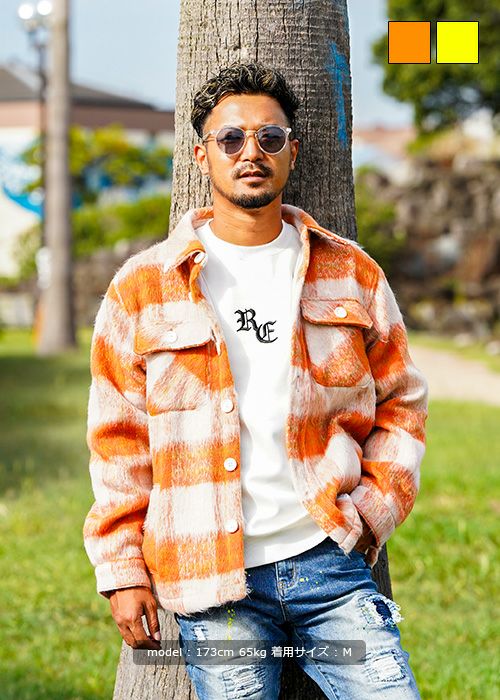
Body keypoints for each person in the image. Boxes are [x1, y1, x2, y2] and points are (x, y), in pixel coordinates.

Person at [83, 62, 428, 699]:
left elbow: (402, 401)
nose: (251, 153)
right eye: (231, 138)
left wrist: (371, 512)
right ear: (202, 154)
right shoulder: (142, 288)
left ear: (292, 151)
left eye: (270, 138)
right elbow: (118, 441)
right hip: (211, 580)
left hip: (329, 565)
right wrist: (122, 570)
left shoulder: (350, 273)